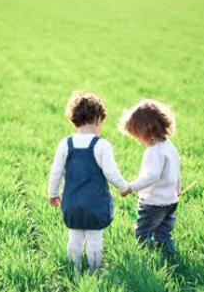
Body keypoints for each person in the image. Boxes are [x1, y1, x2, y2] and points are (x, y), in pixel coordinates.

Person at [47, 91, 129, 273]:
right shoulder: (101, 145)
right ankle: (95, 269)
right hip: (95, 203)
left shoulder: (65, 144)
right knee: (94, 239)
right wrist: (123, 187)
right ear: (97, 119)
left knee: (74, 237)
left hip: (72, 202)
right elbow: (111, 172)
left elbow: (56, 172)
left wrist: (53, 194)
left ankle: (73, 269)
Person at [120, 99, 180, 260]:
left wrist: (130, 187)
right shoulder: (170, 146)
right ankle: (170, 257)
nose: (137, 140)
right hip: (170, 201)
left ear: (148, 131)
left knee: (142, 232)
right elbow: (176, 171)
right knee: (163, 233)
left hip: (153, 204)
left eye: (137, 136)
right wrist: (177, 189)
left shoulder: (154, 151)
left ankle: (142, 258)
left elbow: (151, 176)